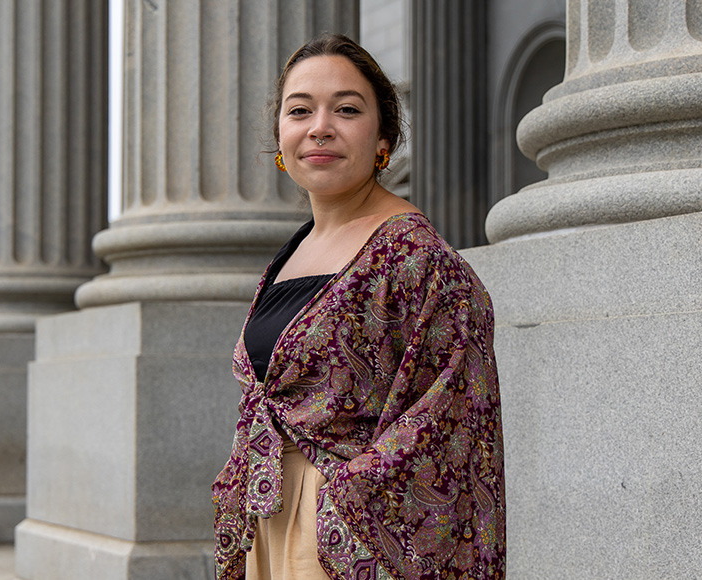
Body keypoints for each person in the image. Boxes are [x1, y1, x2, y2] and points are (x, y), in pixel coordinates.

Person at [212, 33, 505, 580]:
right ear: (280, 136)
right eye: (300, 110)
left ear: (383, 140)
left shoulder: (417, 258)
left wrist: (340, 497)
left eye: (346, 109)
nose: (319, 126)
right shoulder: (295, 251)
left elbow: (455, 421)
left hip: (345, 537)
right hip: (267, 522)